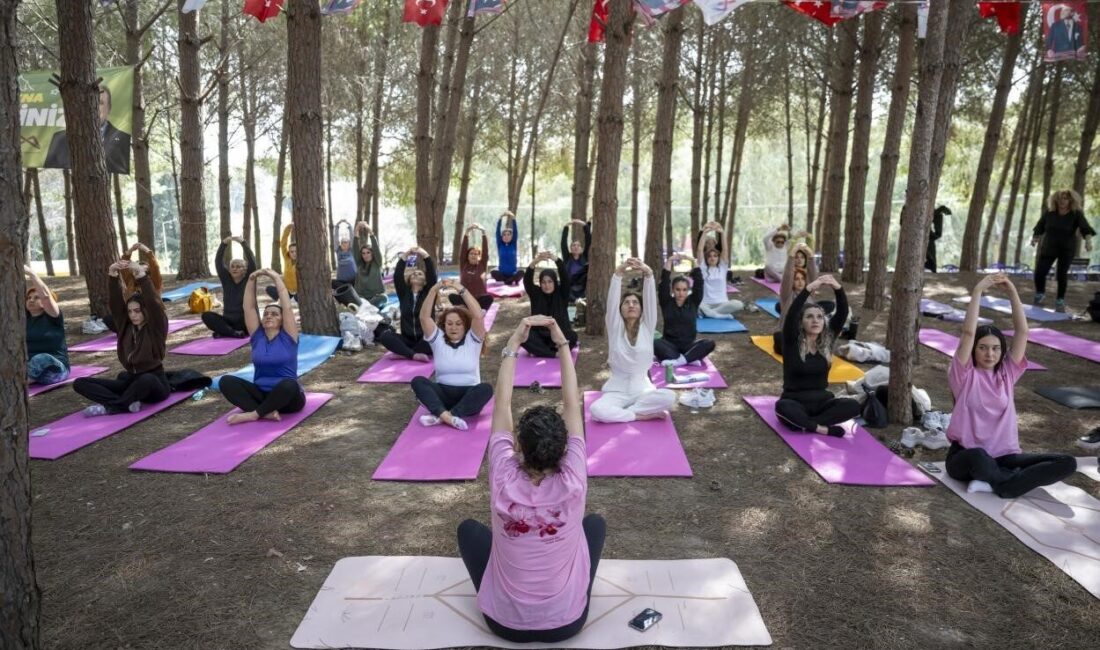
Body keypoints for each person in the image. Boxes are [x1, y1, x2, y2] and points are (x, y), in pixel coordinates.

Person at [456, 315, 603, 644]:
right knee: (593, 525)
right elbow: (571, 403)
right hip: (567, 624)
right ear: (564, 448)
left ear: (518, 446)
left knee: (469, 529)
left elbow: (502, 406)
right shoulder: (574, 477)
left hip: (503, 625)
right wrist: (562, 343)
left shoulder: (504, 475)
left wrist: (512, 345)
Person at [945, 274, 1076, 497]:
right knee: (979, 456)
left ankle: (997, 481)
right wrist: (977, 291)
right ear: (974, 350)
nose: (990, 353)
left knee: (1067, 462)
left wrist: (1012, 291)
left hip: (1004, 456)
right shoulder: (964, 375)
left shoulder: (1007, 374)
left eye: (996, 348)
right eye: (983, 347)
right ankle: (1005, 482)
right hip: (965, 457)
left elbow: (1022, 332)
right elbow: (968, 333)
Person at [74, 260, 171, 416]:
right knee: (80, 383)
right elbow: (116, 304)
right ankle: (125, 403)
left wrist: (141, 275)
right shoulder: (125, 327)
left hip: (155, 384)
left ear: (146, 311)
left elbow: (153, 303)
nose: (133, 315)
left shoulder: (156, 328)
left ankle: (114, 406)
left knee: (146, 379)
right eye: (130, 311)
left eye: (138, 311)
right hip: (132, 381)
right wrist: (112, 275)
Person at [589, 258, 677, 423]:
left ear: (641, 309)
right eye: (627, 303)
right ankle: (639, 415)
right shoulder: (615, 327)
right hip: (617, 391)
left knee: (670, 397)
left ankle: (626, 413)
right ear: (620, 309)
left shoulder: (647, 326)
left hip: (642, 390)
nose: (631, 305)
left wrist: (649, 274)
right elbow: (612, 303)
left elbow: (651, 302)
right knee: (596, 410)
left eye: (635, 302)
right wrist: (618, 274)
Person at [774, 274, 861, 436]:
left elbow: (841, 314)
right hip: (795, 401)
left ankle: (805, 424)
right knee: (783, 407)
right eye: (809, 317)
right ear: (801, 323)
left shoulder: (827, 341)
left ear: (824, 322)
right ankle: (822, 428)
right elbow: (792, 315)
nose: (815, 320)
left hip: (823, 402)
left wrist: (838, 288)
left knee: (853, 406)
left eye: (819, 317)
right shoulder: (792, 342)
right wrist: (809, 288)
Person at [219, 269, 306, 425]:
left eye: (274, 314)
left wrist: (274, 277)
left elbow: (286, 307)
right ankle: (264, 413)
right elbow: (249, 308)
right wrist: (252, 279)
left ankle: (253, 414)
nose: (269, 316)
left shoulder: (289, 337)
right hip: (262, 395)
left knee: (289, 384)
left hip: (288, 399)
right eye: (266, 314)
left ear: (282, 320)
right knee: (226, 381)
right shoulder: (258, 336)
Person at [410, 279, 493, 431]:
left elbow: (478, 316)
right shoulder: (438, 339)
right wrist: (433, 290)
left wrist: (460, 288)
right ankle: (448, 417)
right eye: (449, 323)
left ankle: (444, 416)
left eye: (458, 323)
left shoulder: (473, 339)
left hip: (468, 396)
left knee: (486, 389)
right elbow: (424, 317)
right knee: (418, 381)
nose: (453, 327)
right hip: (442, 394)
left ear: (465, 325)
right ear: (444, 325)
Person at [1031, 189, 1095, 312]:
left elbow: (1085, 228)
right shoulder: (1050, 213)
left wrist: (1088, 242)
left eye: (1065, 198)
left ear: (1070, 200)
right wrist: (1035, 238)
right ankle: (1040, 293)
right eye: (1060, 198)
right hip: (1049, 247)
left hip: (1066, 248)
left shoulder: (1076, 214)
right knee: (1040, 272)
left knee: (1061, 274)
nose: (1062, 201)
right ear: (1055, 199)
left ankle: (1060, 299)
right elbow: (1040, 226)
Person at [44, 85, 131, 174]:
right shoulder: (59, 138)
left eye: (100, 103)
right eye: (90, 102)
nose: (94, 107)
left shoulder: (123, 139)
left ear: (109, 108)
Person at [377, 247, 437, 361]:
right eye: (414, 273)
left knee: (434, 339)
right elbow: (398, 276)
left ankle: (404, 353)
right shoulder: (404, 294)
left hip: (424, 339)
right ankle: (413, 354)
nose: (415, 274)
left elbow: (432, 276)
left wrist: (424, 255)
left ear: (425, 281)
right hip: (407, 339)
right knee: (385, 336)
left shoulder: (429, 294)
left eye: (419, 274)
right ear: (409, 279)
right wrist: (406, 255)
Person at [655, 253, 714, 367]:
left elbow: (699, 284)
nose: (681, 293)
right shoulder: (666, 302)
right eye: (677, 289)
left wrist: (693, 262)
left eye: (684, 290)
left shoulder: (693, 301)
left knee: (709, 343)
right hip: (669, 345)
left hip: (689, 346)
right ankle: (689, 359)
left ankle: (679, 361)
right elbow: (664, 283)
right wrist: (670, 261)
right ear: (673, 290)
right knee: (655, 343)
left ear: (688, 290)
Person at [522, 251, 579, 358]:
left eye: (550, 281)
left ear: (554, 282)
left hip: (558, 335)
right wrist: (535, 262)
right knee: (524, 337)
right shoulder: (536, 294)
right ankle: (554, 353)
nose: (547, 285)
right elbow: (527, 281)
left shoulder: (562, 294)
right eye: (543, 282)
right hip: (540, 336)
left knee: (572, 336)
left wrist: (555, 259)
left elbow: (565, 277)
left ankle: (540, 351)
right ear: (540, 283)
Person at [203, 235, 257, 338]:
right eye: (232, 266)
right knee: (206, 316)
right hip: (229, 321)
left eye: (238, 266)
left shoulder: (249, 280)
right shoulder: (226, 280)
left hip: (245, 320)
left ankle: (225, 332)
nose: (234, 269)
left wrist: (243, 243)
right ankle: (232, 332)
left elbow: (252, 262)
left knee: (251, 321)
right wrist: (224, 244)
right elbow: (218, 262)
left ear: (244, 270)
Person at [103, 242, 163, 333]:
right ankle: (130, 331)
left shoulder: (154, 282)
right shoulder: (130, 282)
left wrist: (145, 249)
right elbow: (124, 264)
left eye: (143, 269)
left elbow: (155, 266)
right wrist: (130, 250)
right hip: (133, 315)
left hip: (150, 315)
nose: (138, 270)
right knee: (108, 319)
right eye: (136, 268)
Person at [24, 265, 69, 386]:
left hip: (55, 371)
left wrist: (32, 275)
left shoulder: (53, 317)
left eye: (36, 297)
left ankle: (21, 382)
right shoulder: (23, 319)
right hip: (28, 368)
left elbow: (46, 297)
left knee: (41, 358)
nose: (31, 300)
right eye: (28, 298)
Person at [772, 242, 820, 355]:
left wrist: (811, 256)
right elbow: (787, 277)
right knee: (779, 337)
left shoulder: (809, 294)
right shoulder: (787, 295)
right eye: (796, 279)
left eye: (802, 279)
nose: (799, 281)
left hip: (806, 333)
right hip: (792, 333)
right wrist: (791, 255)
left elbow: (813, 276)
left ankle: (805, 346)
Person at [696, 222, 745, 319]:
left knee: (739, 304)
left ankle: (710, 314)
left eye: (715, 256)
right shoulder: (703, 268)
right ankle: (715, 314)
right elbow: (700, 249)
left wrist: (722, 233)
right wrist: (704, 232)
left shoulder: (722, 268)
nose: (712, 258)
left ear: (718, 258)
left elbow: (725, 249)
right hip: (705, 304)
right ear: (706, 258)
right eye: (709, 256)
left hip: (722, 304)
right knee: (692, 302)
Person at [454, 223, 494, 311]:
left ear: (479, 256)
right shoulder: (464, 264)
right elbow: (463, 249)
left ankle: (479, 311)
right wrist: (467, 232)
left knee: (489, 298)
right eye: (471, 253)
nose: (473, 255)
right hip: (465, 299)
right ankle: (466, 308)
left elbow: (485, 251)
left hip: (479, 299)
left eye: (476, 254)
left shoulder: (482, 264)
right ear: (467, 256)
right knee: (452, 297)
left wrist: (483, 232)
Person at [352, 221, 388, 309]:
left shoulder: (377, 263)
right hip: (362, 297)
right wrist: (356, 230)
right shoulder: (359, 264)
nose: (366, 255)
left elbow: (376, 247)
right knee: (357, 301)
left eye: (368, 252)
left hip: (376, 297)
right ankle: (367, 308)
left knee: (383, 298)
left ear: (372, 253)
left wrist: (369, 230)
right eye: (363, 253)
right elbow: (355, 249)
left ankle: (366, 308)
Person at [560, 219, 591, 301]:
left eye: (578, 245)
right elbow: (563, 243)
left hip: (582, 289)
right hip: (570, 288)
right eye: (574, 245)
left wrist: (584, 225)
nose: (576, 247)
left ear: (581, 249)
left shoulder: (584, 257)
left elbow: (588, 240)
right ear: (571, 248)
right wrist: (566, 227)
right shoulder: (567, 258)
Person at [490, 212, 523, 285]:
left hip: (513, 273)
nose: (506, 236)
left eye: (508, 235)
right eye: (504, 235)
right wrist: (500, 218)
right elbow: (497, 232)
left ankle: (509, 280)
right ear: (502, 237)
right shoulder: (500, 245)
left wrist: (513, 218)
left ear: (512, 237)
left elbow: (515, 232)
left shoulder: (513, 244)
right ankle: (509, 280)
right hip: (502, 274)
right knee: (493, 272)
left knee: (522, 272)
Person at [268, 224, 298, 302]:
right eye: (292, 252)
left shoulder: (303, 262)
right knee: (269, 289)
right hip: (287, 291)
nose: (294, 253)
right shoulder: (287, 258)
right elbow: (283, 244)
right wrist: (288, 229)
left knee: (298, 296)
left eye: (296, 251)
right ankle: (287, 299)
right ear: (289, 252)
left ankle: (293, 299)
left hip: (299, 293)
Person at [926, 205, 949, 273]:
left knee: (930, 247)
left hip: (927, 234)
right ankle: (931, 265)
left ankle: (932, 266)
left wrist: (940, 210)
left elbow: (929, 215)